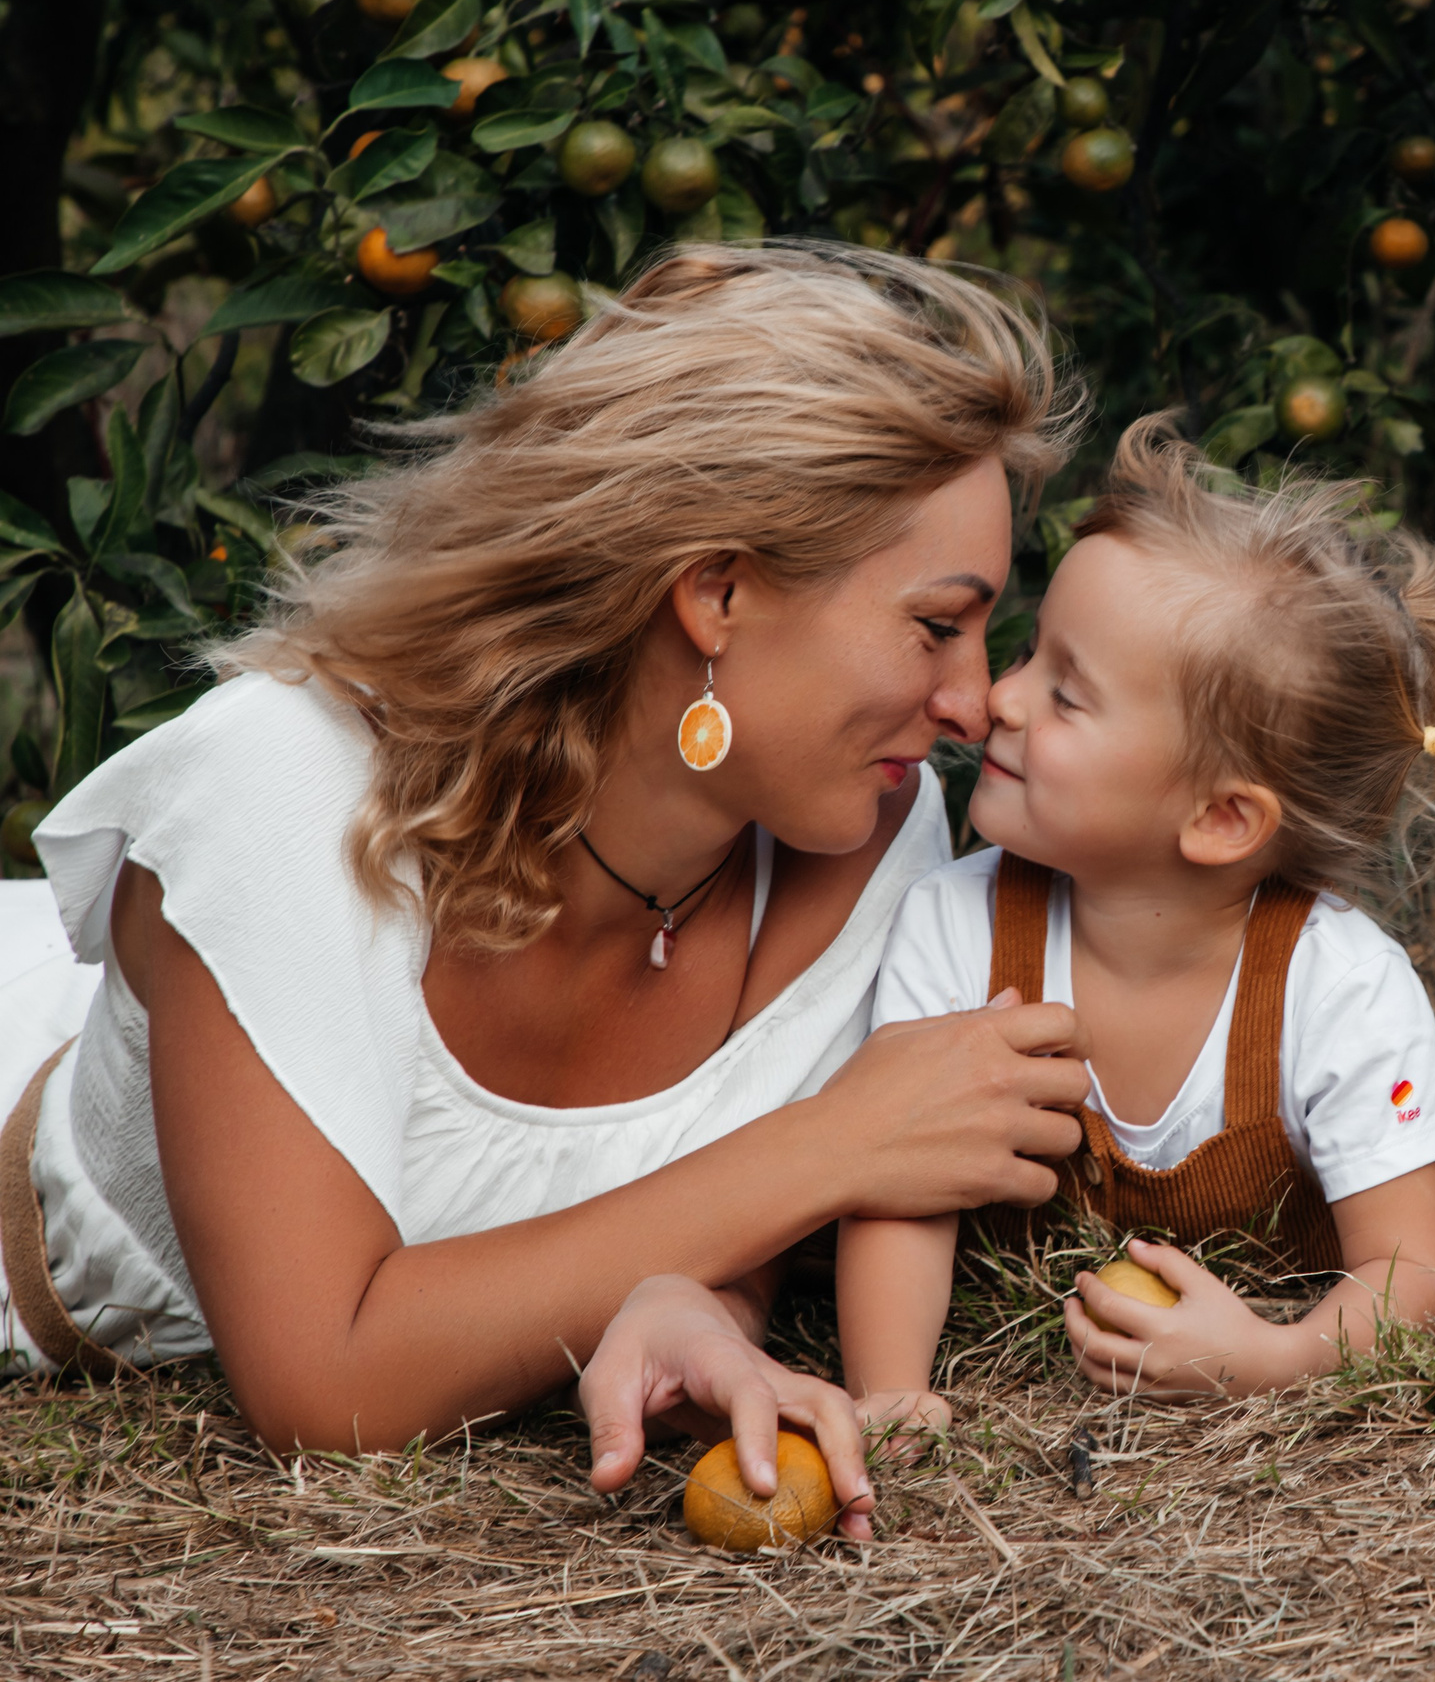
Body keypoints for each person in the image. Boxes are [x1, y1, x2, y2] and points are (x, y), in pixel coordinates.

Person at [0, 244, 1093, 1540]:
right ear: (720, 592)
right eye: (935, 626)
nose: (974, 702)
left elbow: (709, 1210)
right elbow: (324, 1379)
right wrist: (843, 1138)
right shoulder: (288, 787)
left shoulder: (873, 830)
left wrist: (692, 1308)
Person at [833, 417, 1435, 1417]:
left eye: (1067, 695)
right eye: (1029, 655)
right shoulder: (955, 923)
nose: (1003, 698)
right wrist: (889, 1390)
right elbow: (899, 1192)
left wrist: (1270, 1356)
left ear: (1219, 818)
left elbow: (1411, 1275)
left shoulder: (1336, 985)